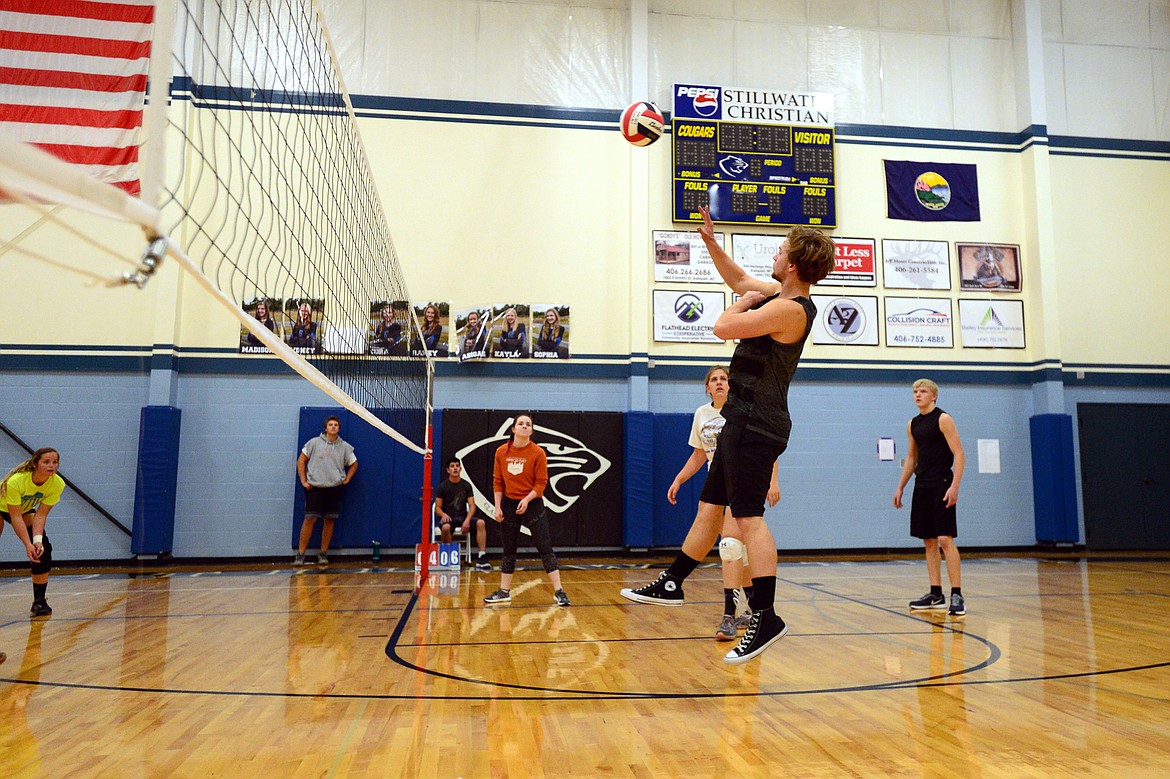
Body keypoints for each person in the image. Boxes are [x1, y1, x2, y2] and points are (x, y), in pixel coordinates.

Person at [620, 205, 835, 664]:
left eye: (779, 251)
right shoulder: (779, 295)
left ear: (792, 265)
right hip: (740, 420)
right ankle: (674, 582)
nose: (773, 257)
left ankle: (766, 615)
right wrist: (712, 244)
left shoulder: (789, 310)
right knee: (709, 508)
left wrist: (744, 304)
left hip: (758, 424)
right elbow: (739, 280)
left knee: (750, 519)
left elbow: (723, 324)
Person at [667, 366, 781, 641]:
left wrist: (773, 482)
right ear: (707, 388)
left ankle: (730, 616)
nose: (719, 383)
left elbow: (769, 451)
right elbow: (698, 455)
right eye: (714, 380)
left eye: (724, 379)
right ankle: (754, 608)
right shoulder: (702, 415)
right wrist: (679, 480)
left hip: (742, 484)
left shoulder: (743, 411)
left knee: (730, 547)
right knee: (736, 553)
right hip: (715, 490)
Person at [893, 379, 967, 617]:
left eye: (922, 391)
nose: (917, 395)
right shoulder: (912, 424)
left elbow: (959, 453)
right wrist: (901, 487)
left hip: (942, 484)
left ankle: (957, 593)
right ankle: (936, 593)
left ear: (934, 396)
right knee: (929, 540)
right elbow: (912, 458)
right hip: (921, 485)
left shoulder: (943, 419)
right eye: (915, 391)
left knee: (945, 539)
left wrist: (955, 485)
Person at [483, 414, 571, 607]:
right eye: (520, 424)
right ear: (513, 429)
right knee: (509, 550)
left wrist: (527, 498)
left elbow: (541, 483)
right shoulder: (501, 452)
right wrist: (497, 506)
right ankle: (504, 591)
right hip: (509, 504)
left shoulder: (538, 453)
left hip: (532, 503)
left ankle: (559, 592)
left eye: (528, 424)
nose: (524, 426)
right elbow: (498, 481)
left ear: (532, 430)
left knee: (545, 547)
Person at [1, 447, 65, 617]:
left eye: (55, 462)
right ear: (36, 464)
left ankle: (39, 602)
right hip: (3, 508)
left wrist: (36, 541)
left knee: (44, 549)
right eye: (46, 462)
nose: (51, 465)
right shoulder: (17, 481)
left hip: (24, 510)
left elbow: (40, 515)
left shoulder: (57, 483)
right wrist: (26, 544)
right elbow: (15, 517)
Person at [295, 416, 358, 566]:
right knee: (309, 520)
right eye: (331, 424)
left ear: (339, 429)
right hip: (315, 488)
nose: (333, 427)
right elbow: (301, 460)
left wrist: (347, 479)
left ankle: (323, 553)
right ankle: (300, 554)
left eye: (336, 425)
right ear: (325, 428)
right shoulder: (313, 443)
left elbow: (354, 464)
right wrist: (304, 480)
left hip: (334, 488)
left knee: (329, 520)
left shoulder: (344, 447)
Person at [435, 457, 490, 572]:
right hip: (449, 518)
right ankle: (449, 556)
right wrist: (443, 514)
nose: (455, 468)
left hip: (462, 517)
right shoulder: (442, 486)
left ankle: (481, 557)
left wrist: (467, 520)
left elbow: (472, 506)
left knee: (481, 522)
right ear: (448, 470)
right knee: (445, 527)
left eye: (457, 466)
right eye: (452, 466)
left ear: (460, 469)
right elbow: (437, 508)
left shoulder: (466, 485)